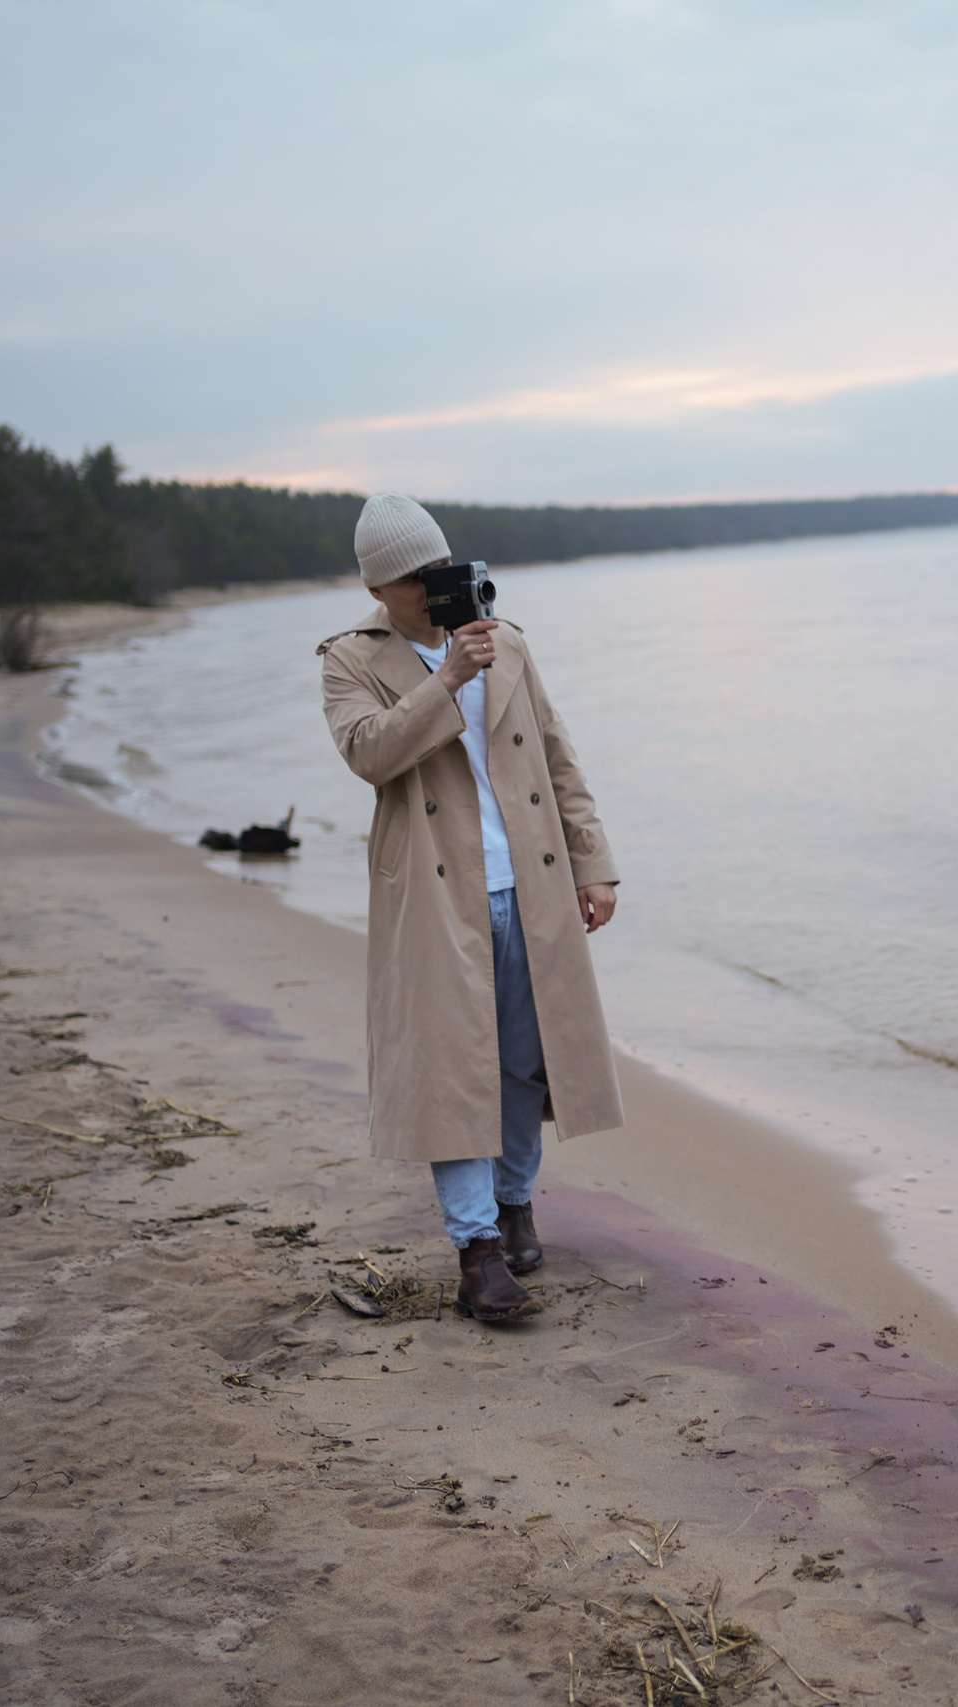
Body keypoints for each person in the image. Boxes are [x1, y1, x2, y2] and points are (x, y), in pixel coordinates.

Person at [317, 494, 623, 1320]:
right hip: (434, 893)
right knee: (454, 1072)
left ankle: (518, 1205)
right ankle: (477, 1250)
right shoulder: (349, 659)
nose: (439, 585)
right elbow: (368, 754)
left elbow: (558, 758)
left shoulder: (508, 641)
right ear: (383, 587)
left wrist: (595, 865)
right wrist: (447, 679)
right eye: (419, 577)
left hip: (533, 882)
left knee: (526, 1061)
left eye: (443, 566)